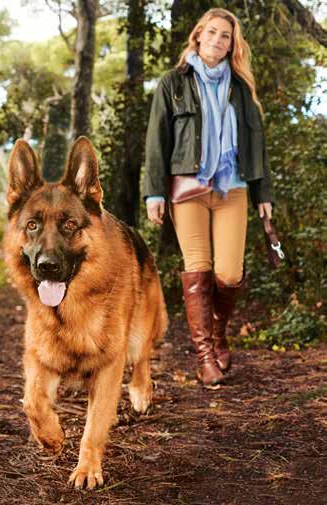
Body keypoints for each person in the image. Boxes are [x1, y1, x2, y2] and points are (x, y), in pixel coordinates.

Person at [143, 8, 274, 386]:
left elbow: (256, 142)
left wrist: (263, 192)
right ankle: (205, 357)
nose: (218, 40)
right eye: (212, 33)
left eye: (226, 36)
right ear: (198, 35)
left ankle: (218, 334)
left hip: (233, 186)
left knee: (229, 274)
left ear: (233, 45)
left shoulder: (241, 88)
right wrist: (154, 192)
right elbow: (157, 141)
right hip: (188, 188)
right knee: (197, 268)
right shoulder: (173, 82)